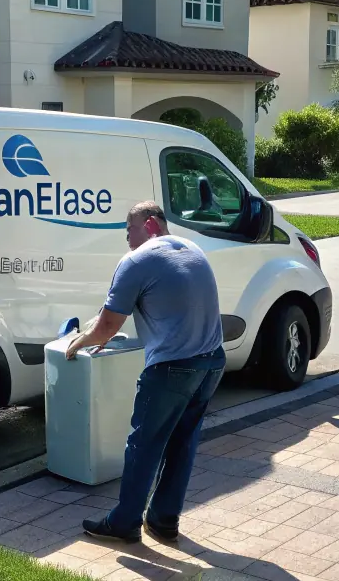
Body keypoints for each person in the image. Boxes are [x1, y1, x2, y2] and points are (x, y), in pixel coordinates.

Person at [65, 199, 226, 543]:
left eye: (129, 230)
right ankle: (164, 520)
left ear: (151, 225)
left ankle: (124, 522)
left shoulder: (137, 260)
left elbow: (107, 326)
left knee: (144, 444)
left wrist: (80, 341)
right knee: (182, 443)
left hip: (172, 367)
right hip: (212, 361)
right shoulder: (192, 249)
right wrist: (103, 329)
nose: (127, 239)